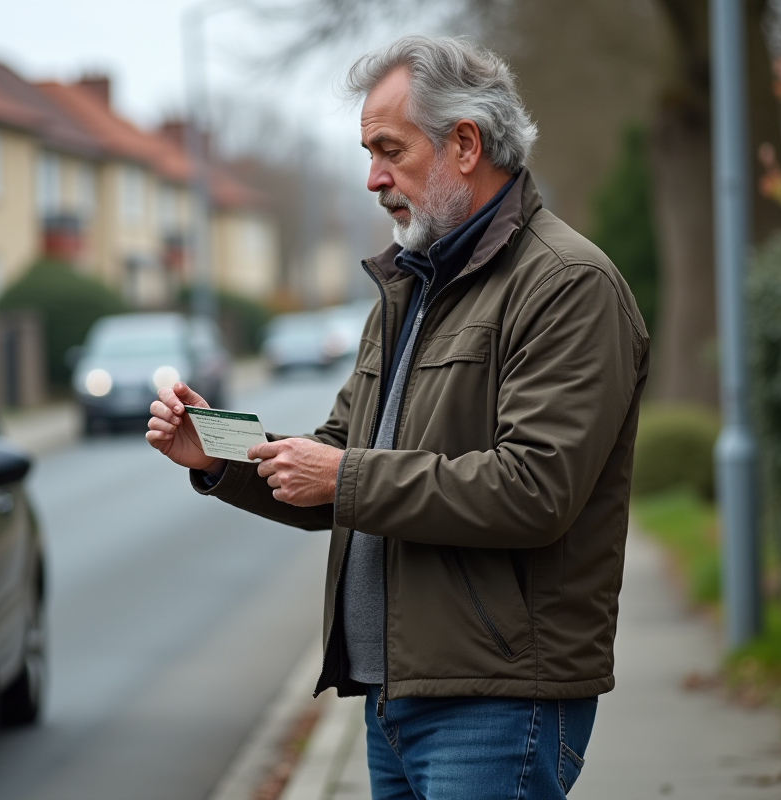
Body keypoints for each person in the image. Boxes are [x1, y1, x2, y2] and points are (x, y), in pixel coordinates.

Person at [147, 34, 649, 800]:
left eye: (389, 148)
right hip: (395, 698)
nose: (373, 177)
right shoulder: (412, 286)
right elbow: (339, 454)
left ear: (466, 145)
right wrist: (219, 454)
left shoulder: (568, 285)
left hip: (498, 699)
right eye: (366, 151)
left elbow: (535, 489)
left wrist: (344, 475)